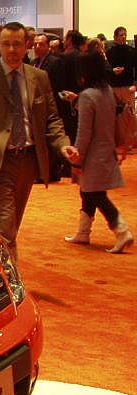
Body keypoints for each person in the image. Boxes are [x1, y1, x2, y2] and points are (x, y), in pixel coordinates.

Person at [0, 21, 79, 262]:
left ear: (27, 46)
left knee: (13, 224)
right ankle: (12, 285)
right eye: (6, 44)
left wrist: (62, 143)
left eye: (16, 44)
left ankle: (1, 268)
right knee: (5, 228)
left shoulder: (40, 77)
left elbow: (52, 118)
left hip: (29, 162)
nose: (11, 49)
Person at [64, 52, 133, 253]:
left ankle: (122, 230)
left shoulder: (88, 95)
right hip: (106, 151)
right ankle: (83, 232)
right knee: (88, 192)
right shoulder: (107, 92)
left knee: (96, 194)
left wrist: (77, 158)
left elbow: (84, 132)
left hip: (92, 154)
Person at [107, 26, 136, 155]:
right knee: (115, 117)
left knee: (129, 117)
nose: (123, 37)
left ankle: (128, 144)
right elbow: (106, 70)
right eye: (120, 35)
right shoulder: (109, 52)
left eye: (125, 35)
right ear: (115, 37)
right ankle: (116, 144)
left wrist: (135, 85)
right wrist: (112, 72)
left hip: (127, 87)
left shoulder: (132, 51)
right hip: (113, 87)